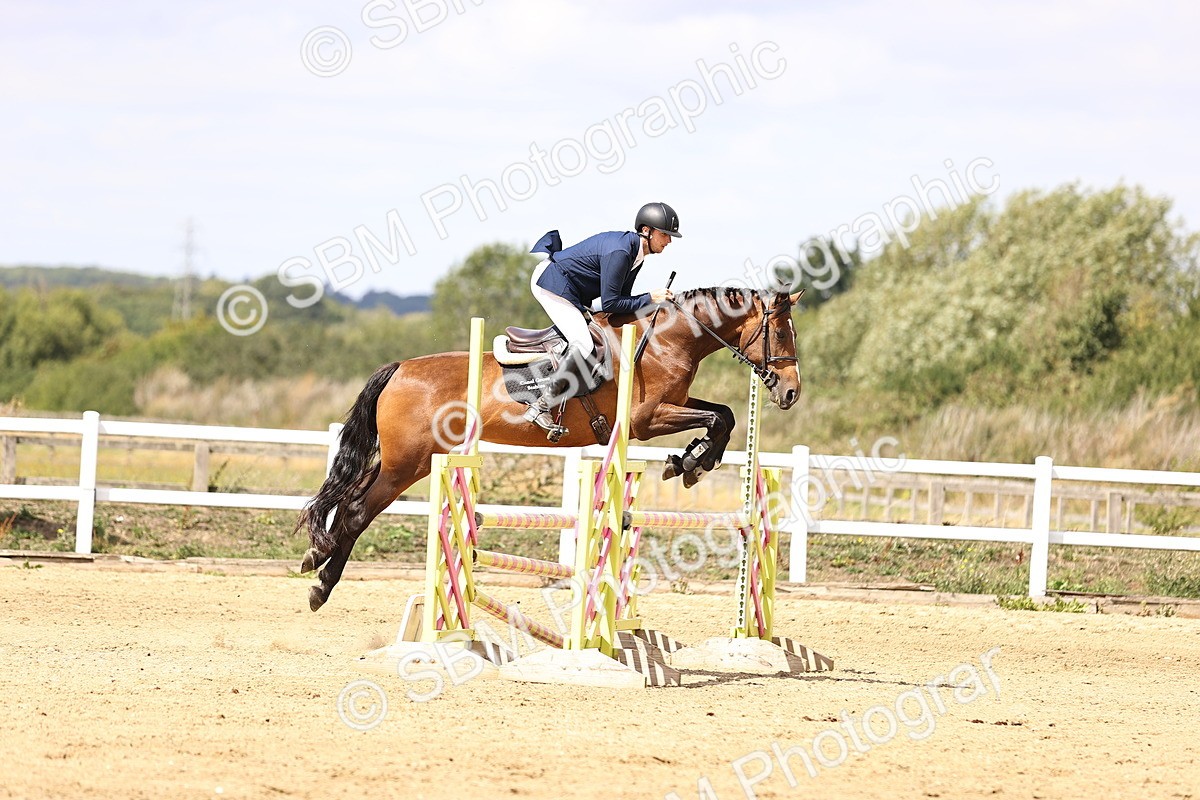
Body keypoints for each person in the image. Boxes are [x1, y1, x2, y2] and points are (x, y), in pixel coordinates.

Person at [522, 201, 681, 435]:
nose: (668, 241)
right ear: (646, 231)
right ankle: (540, 406)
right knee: (584, 343)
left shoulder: (636, 254)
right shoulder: (621, 252)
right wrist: (650, 297)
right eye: (665, 234)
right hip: (552, 283)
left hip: (571, 287)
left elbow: (620, 302)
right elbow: (611, 303)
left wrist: (654, 306)